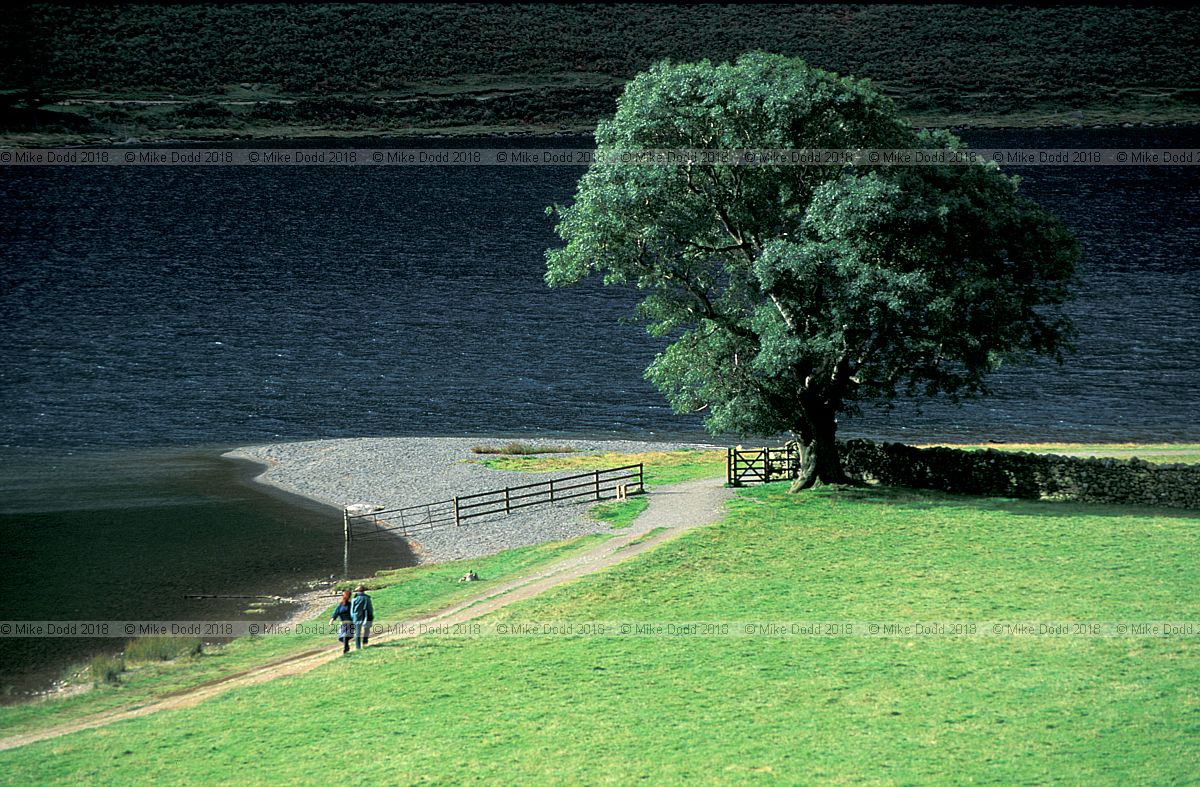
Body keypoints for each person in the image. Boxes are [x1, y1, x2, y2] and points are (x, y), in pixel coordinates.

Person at [350, 584, 374, 649]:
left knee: (357, 633)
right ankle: (365, 643)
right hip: (366, 616)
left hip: (356, 617)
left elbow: (352, 611)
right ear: (363, 591)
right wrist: (371, 616)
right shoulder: (367, 598)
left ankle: (358, 647)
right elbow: (370, 609)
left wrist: (352, 617)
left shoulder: (354, 599)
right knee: (366, 630)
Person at [330, 590, 353, 654]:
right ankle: (346, 646)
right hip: (343, 624)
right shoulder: (341, 605)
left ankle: (346, 648)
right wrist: (331, 620)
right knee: (341, 638)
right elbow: (336, 612)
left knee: (346, 636)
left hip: (350, 623)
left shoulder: (350, 605)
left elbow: (354, 613)